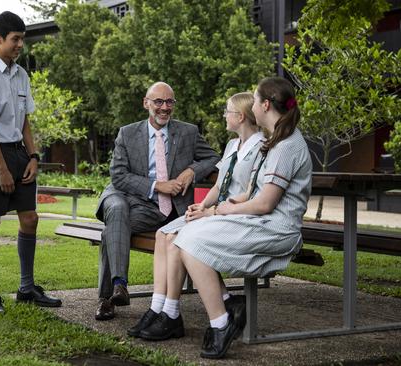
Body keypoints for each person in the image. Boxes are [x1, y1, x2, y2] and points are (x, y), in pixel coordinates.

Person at [163, 76, 311, 359]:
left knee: (189, 242)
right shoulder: (277, 140)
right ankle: (225, 312)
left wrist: (219, 210)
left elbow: (265, 203)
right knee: (186, 237)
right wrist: (214, 210)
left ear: (265, 105)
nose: (252, 105)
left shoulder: (287, 146)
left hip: (276, 230)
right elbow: (252, 193)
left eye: (255, 100)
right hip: (260, 222)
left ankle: (222, 322)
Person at [128, 92, 264, 340]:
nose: (224, 115)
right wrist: (201, 207)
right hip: (216, 209)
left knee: (177, 239)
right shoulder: (233, 145)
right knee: (163, 233)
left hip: (234, 213)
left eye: (227, 111)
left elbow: (252, 192)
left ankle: (171, 313)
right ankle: (158, 307)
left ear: (240, 116)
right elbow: (218, 186)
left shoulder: (260, 148)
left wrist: (211, 211)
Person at [94, 81, 220, 321]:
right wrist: (157, 186)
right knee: (118, 210)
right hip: (125, 197)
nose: (164, 107)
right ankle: (116, 288)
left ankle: (108, 296)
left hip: (160, 211)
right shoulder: (128, 133)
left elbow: (214, 157)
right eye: (158, 102)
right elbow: (118, 176)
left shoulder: (188, 132)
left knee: (112, 230)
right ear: (146, 103)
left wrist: (191, 171)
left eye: (169, 102)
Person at [0, 11, 61, 313]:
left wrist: (34, 156)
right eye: (15, 39)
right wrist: (0, 168)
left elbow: (25, 122)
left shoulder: (21, 74)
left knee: (31, 218)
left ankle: (26, 288)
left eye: (22, 39)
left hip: (20, 152)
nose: (20, 45)